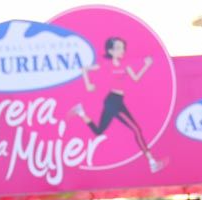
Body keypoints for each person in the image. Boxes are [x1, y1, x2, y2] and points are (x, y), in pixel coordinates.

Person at [70, 37, 163, 173]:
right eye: (118, 48)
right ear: (110, 51)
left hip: (118, 100)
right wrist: (88, 84)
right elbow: (85, 69)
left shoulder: (125, 65)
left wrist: (146, 65)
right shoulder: (106, 64)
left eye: (123, 47)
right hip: (112, 101)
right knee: (136, 129)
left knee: (99, 131)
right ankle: (151, 161)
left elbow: (136, 78)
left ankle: (81, 112)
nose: (122, 50)